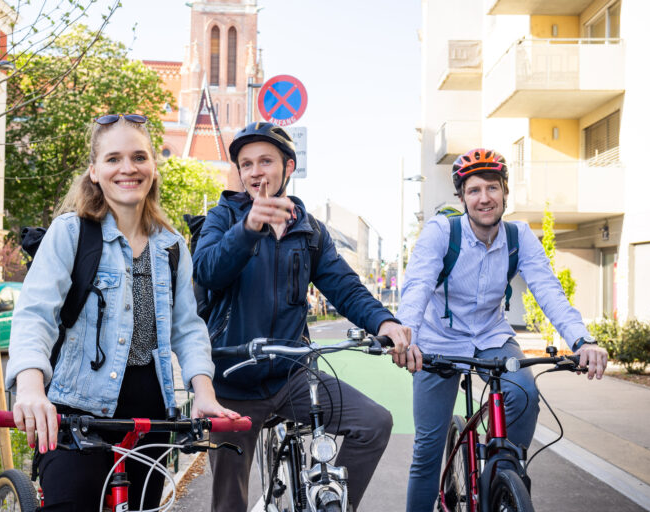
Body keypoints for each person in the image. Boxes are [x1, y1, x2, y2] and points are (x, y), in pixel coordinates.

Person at [5, 114, 239, 510]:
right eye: (113, 159)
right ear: (94, 171)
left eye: (138, 157)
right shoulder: (71, 233)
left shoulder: (171, 246)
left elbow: (187, 328)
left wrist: (203, 393)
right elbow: (35, 316)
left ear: (152, 167)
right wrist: (29, 388)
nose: (127, 168)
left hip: (151, 416)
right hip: (76, 411)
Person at [192, 122, 412, 512]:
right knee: (229, 502)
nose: (255, 171)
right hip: (231, 379)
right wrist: (248, 227)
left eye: (265, 161)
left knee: (374, 423)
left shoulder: (309, 231)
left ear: (288, 167)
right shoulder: (223, 217)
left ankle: (319, 499)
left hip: (294, 375)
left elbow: (345, 287)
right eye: (246, 164)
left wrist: (384, 322)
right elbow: (208, 271)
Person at [397, 148, 609, 512]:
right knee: (428, 449)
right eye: (474, 190)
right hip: (438, 342)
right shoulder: (441, 233)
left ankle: (504, 475)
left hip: (491, 336)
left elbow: (547, 289)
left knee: (524, 392)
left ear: (505, 192)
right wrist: (405, 336)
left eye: (492, 188)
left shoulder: (519, 236)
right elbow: (416, 287)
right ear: (461, 197)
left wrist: (582, 339)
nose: (484, 198)